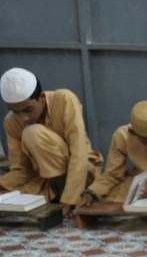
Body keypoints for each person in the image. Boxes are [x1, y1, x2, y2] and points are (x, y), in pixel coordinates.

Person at [0, 68, 102, 216]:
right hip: (45, 181)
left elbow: (79, 152)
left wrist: (70, 197)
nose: (23, 118)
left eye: (28, 110)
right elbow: (21, 170)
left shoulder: (65, 99)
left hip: (81, 174)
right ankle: (55, 196)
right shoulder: (10, 122)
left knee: (32, 132)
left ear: (41, 97)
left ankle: (67, 197)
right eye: (16, 112)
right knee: (9, 200)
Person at [79, 100, 147, 206]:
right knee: (106, 199)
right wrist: (91, 192)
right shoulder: (122, 136)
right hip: (138, 187)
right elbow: (112, 175)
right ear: (134, 133)